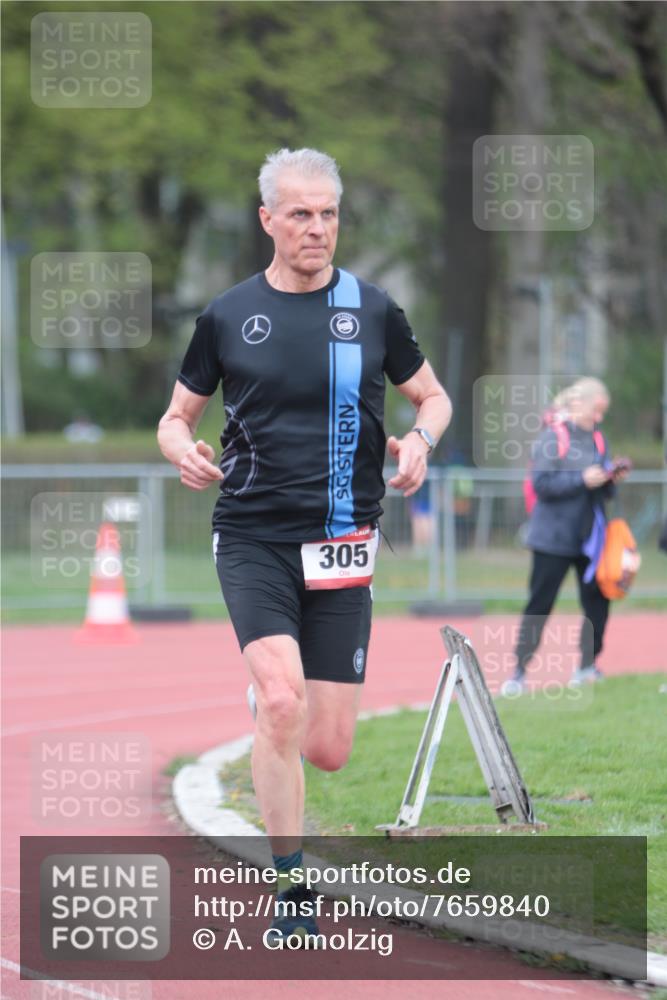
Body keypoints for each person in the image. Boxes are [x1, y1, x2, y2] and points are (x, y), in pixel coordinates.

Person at [157, 148, 452, 941]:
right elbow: (176, 414)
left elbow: (432, 397)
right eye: (299, 214)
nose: (316, 227)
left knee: (325, 748)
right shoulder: (225, 315)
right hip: (252, 534)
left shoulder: (373, 310)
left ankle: (270, 701)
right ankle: (290, 891)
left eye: (327, 213)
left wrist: (420, 439)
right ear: (268, 221)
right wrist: (179, 446)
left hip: (343, 541)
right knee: (285, 703)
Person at [502, 377, 630, 696]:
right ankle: (518, 672)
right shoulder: (553, 436)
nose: (599, 418)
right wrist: (581, 480)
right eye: (596, 410)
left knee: (598, 602)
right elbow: (541, 484)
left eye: (603, 413)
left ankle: (587, 665)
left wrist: (611, 478)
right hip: (552, 540)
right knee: (540, 604)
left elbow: (603, 490)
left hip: (591, 539)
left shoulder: (599, 440)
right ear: (578, 404)